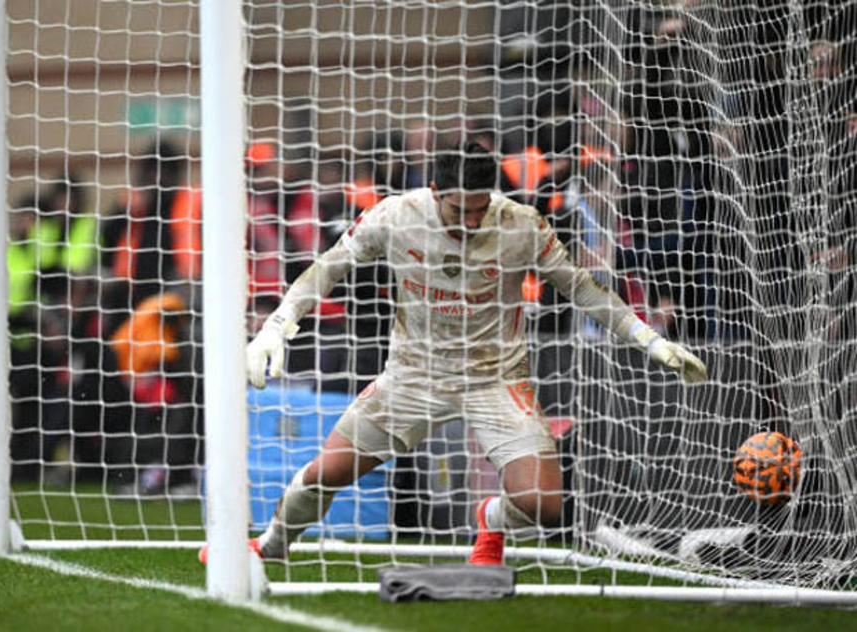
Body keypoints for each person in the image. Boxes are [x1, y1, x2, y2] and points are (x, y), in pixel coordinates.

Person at [207, 142, 707, 565]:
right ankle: (272, 544)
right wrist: (276, 327)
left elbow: (584, 289)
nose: (468, 221)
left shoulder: (522, 224)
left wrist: (651, 339)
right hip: (412, 377)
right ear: (433, 193)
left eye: (478, 209)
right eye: (456, 210)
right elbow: (329, 267)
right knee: (324, 475)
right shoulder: (395, 216)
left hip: (496, 379)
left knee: (544, 505)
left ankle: (489, 519)